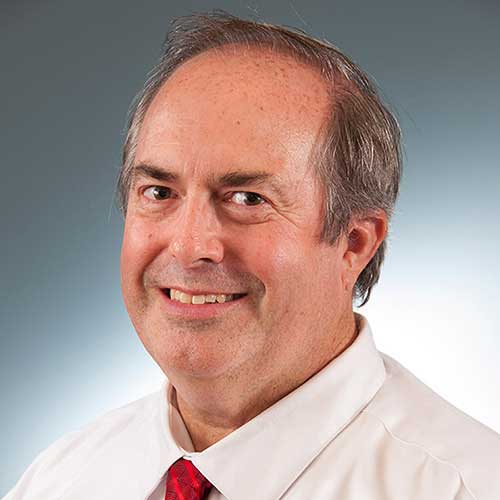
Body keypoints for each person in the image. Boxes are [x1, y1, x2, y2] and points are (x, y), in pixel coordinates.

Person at [4, 10, 500, 500]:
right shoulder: (60, 479)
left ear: (354, 244)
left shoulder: (467, 486)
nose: (189, 245)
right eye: (159, 192)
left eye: (247, 199)